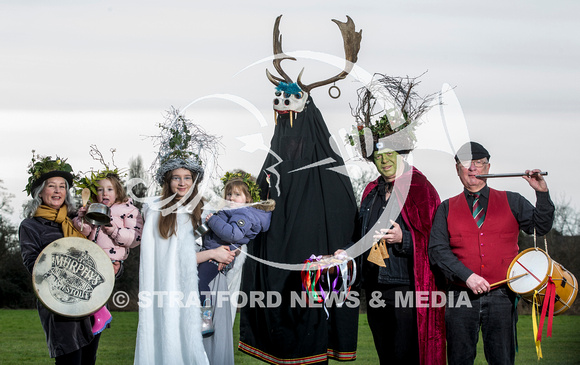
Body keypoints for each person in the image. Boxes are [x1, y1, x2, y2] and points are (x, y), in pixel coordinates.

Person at [428, 141, 555, 365]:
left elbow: (540, 226)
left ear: (488, 168)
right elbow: (437, 251)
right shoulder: (446, 208)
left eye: (479, 163)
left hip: (502, 296)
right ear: (457, 169)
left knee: (502, 360)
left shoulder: (513, 200)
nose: (473, 169)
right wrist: (467, 276)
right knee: (459, 359)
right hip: (460, 297)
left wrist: (542, 194)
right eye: (467, 164)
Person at [134, 109, 235, 365]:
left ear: (194, 180)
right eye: (176, 178)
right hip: (169, 290)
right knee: (171, 340)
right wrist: (212, 254)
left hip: (204, 285)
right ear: (167, 182)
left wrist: (224, 255)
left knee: (203, 346)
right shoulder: (157, 210)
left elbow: (224, 241)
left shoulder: (204, 209)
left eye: (187, 178)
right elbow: (174, 259)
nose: (182, 183)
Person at [19, 154, 102, 364]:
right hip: (58, 304)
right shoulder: (30, 226)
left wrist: (115, 268)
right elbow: (31, 264)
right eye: (51, 186)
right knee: (69, 360)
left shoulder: (78, 221)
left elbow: (98, 254)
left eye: (62, 186)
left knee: (88, 360)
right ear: (40, 192)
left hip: (89, 300)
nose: (57, 191)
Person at [73, 170, 144, 334]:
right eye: (99, 189)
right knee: (84, 285)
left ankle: (101, 314)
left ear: (118, 190)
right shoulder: (94, 208)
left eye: (109, 189)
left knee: (92, 285)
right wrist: (82, 219)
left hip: (111, 260)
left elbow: (136, 237)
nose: (104, 193)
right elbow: (84, 233)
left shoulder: (129, 210)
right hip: (91, 258)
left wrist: (113, 230)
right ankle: (100, 313)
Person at [198, 171, 273, 309]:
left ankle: (205, 314)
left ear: (248, 198)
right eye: (229, 194)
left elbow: (233, 234)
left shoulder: (243, 214)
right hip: (212, 250)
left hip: (216, 257)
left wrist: (213, 220)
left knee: (200, 281)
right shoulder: (232, 211)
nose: (231, 198)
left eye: (237, 195)